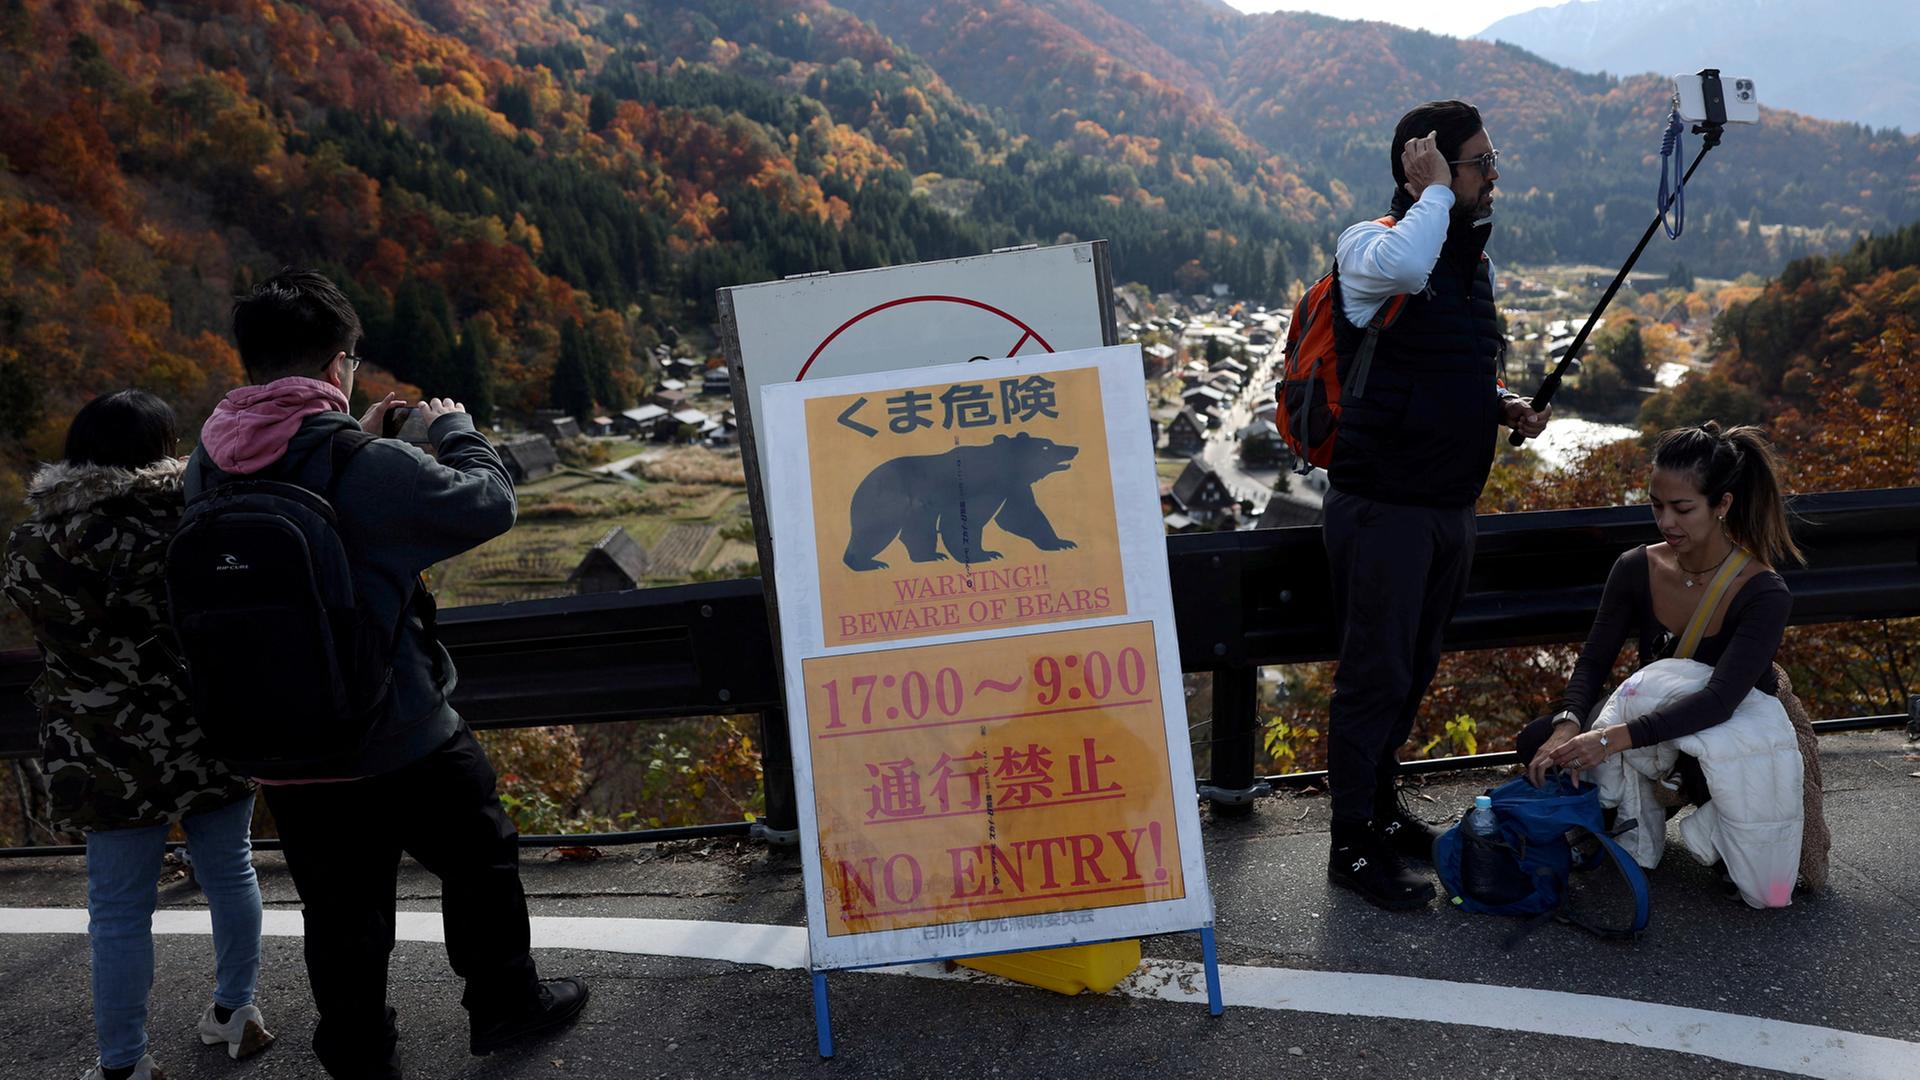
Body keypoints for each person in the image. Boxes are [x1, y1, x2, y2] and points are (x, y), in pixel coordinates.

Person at [187, 270, 588, 1079]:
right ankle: (506, 1006)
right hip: (397, 727)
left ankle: (356, 1049)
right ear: (338, 365)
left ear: (253, 364)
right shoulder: (362, 464)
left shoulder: (209, 463)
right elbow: (488, 502)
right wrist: (456, 431)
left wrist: (363, 441)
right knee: (480, 859)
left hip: (281, 742)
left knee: (339, 908)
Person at [3, 391, 273, 1080]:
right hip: (207, 726)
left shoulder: (32, 541)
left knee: (118, 912)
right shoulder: (191, 521)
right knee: (231, 871)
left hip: (101, 748)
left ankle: (125, 1063)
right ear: (165, 447)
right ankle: (234, 1013)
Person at [1322, 99, 1551, 911]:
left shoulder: (1470, 264)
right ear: (1426, 167)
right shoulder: (1370, 246)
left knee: (1411, 670)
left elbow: (1444, 365)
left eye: (1492, 161)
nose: (1493, 175)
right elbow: (1408, 271)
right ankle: (1350, 847)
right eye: (1479, 162)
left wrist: (1502, 405)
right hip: (1384, 507)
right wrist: (1431, 197)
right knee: (1373, 678)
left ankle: (1381, 816)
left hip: (1448, 506)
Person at [1521, 425, 1806, 894]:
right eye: (1657, 505)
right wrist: (1570, 725)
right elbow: (1594, 660)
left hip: (1722, 732)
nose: (1666, 522)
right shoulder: (1637, 566)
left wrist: (1611, 739)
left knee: (1709, 779)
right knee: (1541, 744)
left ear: (1723, 505)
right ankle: (1610, 817)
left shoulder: (1762, 591)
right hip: (1652, 725)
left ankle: (1711, 830)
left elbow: (1719, 702)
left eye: (1683, 508)